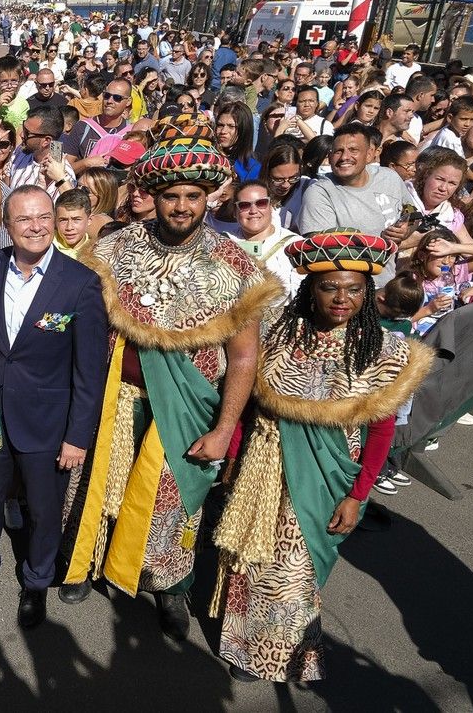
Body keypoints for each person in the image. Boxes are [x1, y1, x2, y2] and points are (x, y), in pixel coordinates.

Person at [62, 115, 282, 640]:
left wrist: (226, 428)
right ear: (151, 196)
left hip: (187, 404)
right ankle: (85, 562)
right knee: (95, 486)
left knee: (172, 500)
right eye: (170, 196)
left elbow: (245, 357)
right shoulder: (113, 249)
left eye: (192, 195)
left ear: (209, 197)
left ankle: (170, 586)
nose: (181, 206)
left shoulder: (236, 265)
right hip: (116, 394)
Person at [213, 232, 432, 682]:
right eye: (329, 287)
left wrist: (358, 495)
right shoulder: (278, 332)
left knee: (295, 567)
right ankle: (241, 644)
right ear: (310, 290)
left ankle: (278, 654)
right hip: (265, 462)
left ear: (368, 293)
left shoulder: (385, 351)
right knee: (251, 558)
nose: (341, 298)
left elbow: (381, 431)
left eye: (354, 289)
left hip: (328, 474)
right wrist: (234, 454)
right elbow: (250, 402)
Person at [0, 184, 108, 628]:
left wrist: (77, 437)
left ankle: (37, 581)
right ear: (7, 226)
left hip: (48, 425)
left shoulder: (80, 283)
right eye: (24, 219)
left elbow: (89, 372)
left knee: (44, 512)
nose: (37, 226)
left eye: (44, 216)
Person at [297, 124, 421, 284]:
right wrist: (377, 243)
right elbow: (322, 251)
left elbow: (413, 213)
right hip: (347, 291)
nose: (344, 157)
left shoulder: (389, 177)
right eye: (338, 151)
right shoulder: (320, 192)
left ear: (369, 155)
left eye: (353, 150)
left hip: (386, 285)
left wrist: (407, 228)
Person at [219, 181, 303, 300]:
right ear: (235, 211)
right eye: (244, 205)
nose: (253, 211)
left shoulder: (295, 245)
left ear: (271, 206)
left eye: (261, 203)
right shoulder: (221, 242)